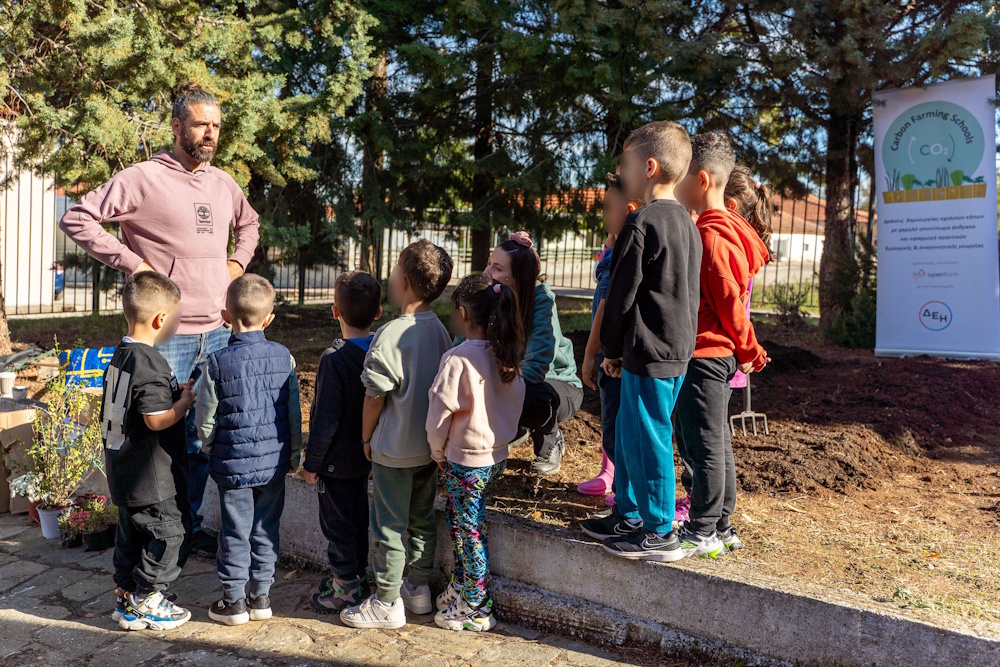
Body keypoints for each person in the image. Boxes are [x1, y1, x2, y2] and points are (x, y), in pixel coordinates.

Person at [60, 82, 261, 559]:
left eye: (215, 125)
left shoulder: (222, 182)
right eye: (200, 124)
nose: (210, 134)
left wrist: (237, 265)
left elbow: (249, 224)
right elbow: (78, 218)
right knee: (155, 442)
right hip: (163, 335)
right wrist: (134, 264)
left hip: (217, 331)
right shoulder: (143, 178)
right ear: (176, 127)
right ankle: (154, 538)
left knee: (202, 439)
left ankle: (187, 531)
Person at [587, 120, 702, 562]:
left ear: (649, 167)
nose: (623, 172)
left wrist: (609, 350)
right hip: (671, 348)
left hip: (648, 351)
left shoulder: (642, 221)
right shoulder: (687, 224)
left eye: (626, 165)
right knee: (634, 434)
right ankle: (629, 514)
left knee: (648, 435)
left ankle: (658, 529)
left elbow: (621, 295)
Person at [340, 240, 454, 630]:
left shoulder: (388, 335)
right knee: (422, 518)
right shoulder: (440, 330)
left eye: (392, 272)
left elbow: (374, 397)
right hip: (428, 448)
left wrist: (366, 437)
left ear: (403, 282)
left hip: (392, 450)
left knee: (388, 526)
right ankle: (418, 589)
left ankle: (386, 601)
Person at [672, 132, 770, 559]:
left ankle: (704, 528)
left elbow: (732, 307)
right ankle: (723, 524)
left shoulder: (713, 238)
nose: (677, 184)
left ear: (704, 180)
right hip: (710, 356)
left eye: (684, 177)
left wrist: (752, 353)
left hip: (705, 356)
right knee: (716, 442)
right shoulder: (714, 231)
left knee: (706, 444)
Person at [194, 274, 302, 625]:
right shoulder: (284, 357)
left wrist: (211, 447)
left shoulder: (216, 362)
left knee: (234, 530)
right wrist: (295, 455)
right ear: (269, 318)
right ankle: (261, 597)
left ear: (226, 316)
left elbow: (205, 419)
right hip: (273, 465)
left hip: (232, 465)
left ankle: (233, 601)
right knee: (266, 528)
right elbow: (293, 412)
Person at [426, 274, 525, 632]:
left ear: (464, 313)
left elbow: (438, 413)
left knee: (467, 529)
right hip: (494, 457)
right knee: (461, 520)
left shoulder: (458, 358)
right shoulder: (506, 354)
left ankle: (477, 604)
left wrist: (437, 450)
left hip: (464, 461)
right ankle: (463, 584)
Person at [101, 272, 195, 631]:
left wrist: (172, 394)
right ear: (160, 320)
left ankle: (126, 597)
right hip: (152, 476)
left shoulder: (121, 355)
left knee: (132, 534)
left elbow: (122, 411)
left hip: (124, 470)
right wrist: (183, 402)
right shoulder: (150, 362)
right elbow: (156, 419)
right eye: (177, 318)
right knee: (170, 533)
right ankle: (148, 599)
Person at [302, 271, 383, 614]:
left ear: (335, 312)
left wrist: (312, 463)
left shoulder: (333, 359)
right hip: (365, 457)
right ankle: (356, 577)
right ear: (378, 312)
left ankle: (346, 586)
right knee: (357, 520)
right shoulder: (381, 348)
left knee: (336, 526)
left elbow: (324, 419)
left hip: (334, 463)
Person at [483, 232, 583, 475]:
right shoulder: (491, 295)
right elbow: (467, 341)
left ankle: (549, 439)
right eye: (488, 264)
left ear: (518, 277)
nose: (486, 273)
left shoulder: (541, 301)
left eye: (496, 268)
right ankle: (512, 429)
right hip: (511, 379)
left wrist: (502, 397)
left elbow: (537, 365)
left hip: (555, 385)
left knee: (536, 399)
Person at [578, 173, 638, 501]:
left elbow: (605, 305)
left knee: (618, 427)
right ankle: (615, 481)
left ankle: (624, 497)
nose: (603, 215)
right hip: (611, 352)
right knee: (613, 421)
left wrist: (590, 353)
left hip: (611, 352)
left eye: (607, 208)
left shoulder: (622, 253)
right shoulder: (613, 246)